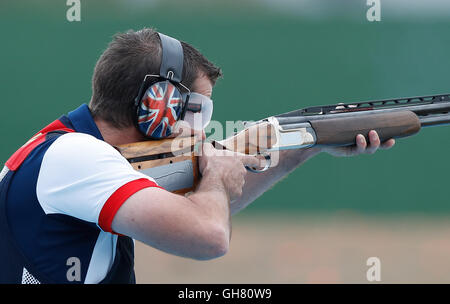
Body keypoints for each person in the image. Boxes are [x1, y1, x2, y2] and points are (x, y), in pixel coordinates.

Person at [0, 28, 395, 284]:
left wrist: (305, 144)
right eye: (197, 112)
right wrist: (218, 176)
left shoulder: (77, 151)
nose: (201, 131)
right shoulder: (78, 157)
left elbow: (199, 207)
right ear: (159, 104)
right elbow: (207, 235)